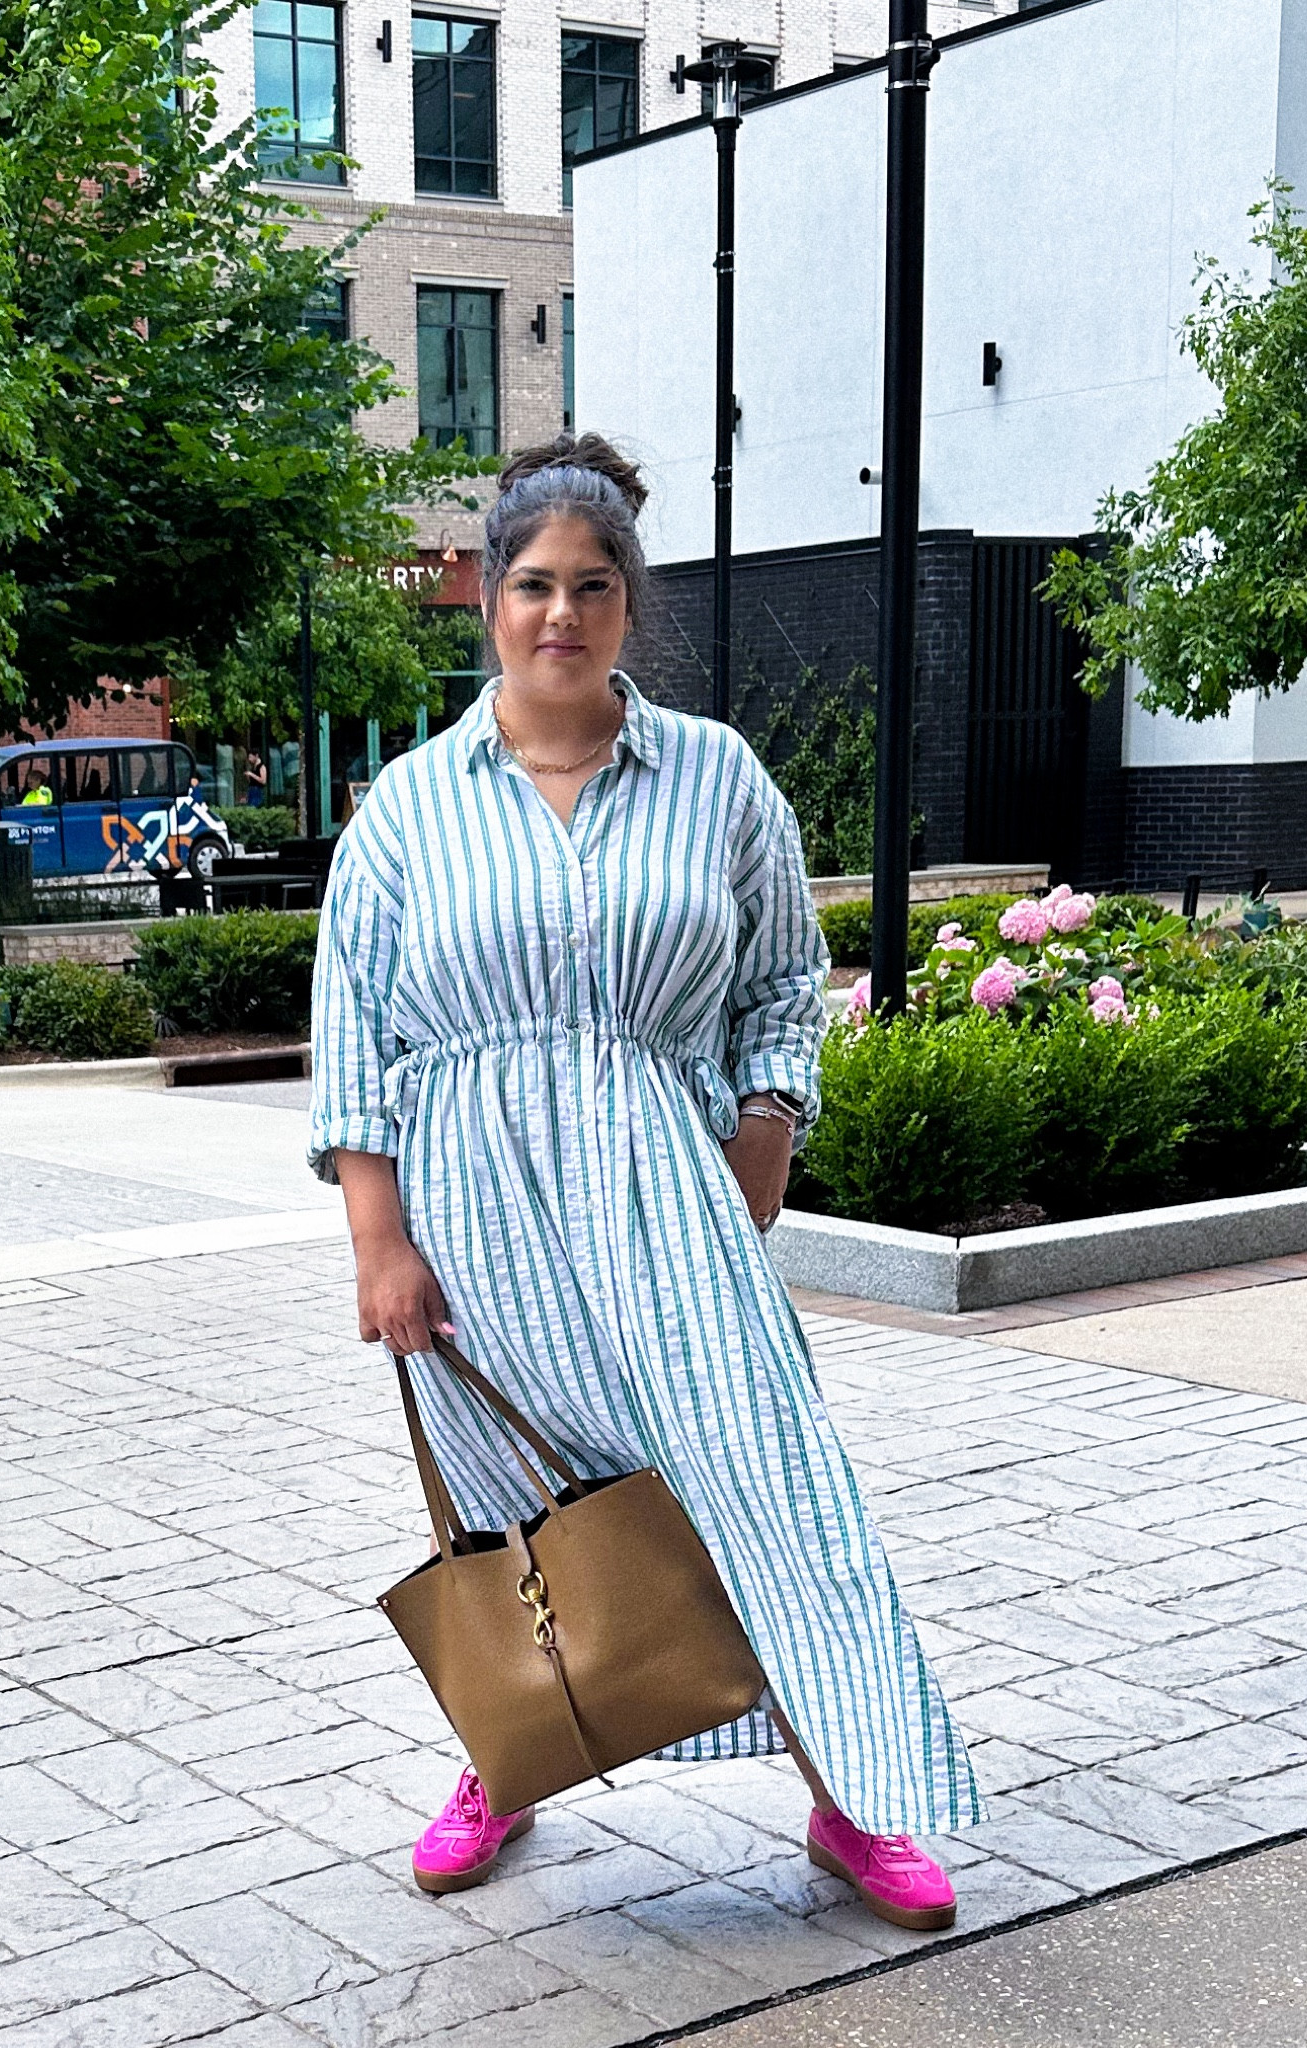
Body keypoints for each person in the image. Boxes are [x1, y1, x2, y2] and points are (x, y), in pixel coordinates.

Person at [309, 434, 981, 1931]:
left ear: (629, 603)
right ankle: (512, 1757)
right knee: (508, 1507)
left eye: (591, 586)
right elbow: (353, 1031)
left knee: (766, 1486)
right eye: (533, 584)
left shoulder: (716, 778)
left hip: (670, 1197)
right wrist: (379, 1241)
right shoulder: (409, 807)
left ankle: (849, 1792)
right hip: (475, 1213)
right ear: (487, 597)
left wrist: (764, 1132)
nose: (561, 612)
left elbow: (780, 978)